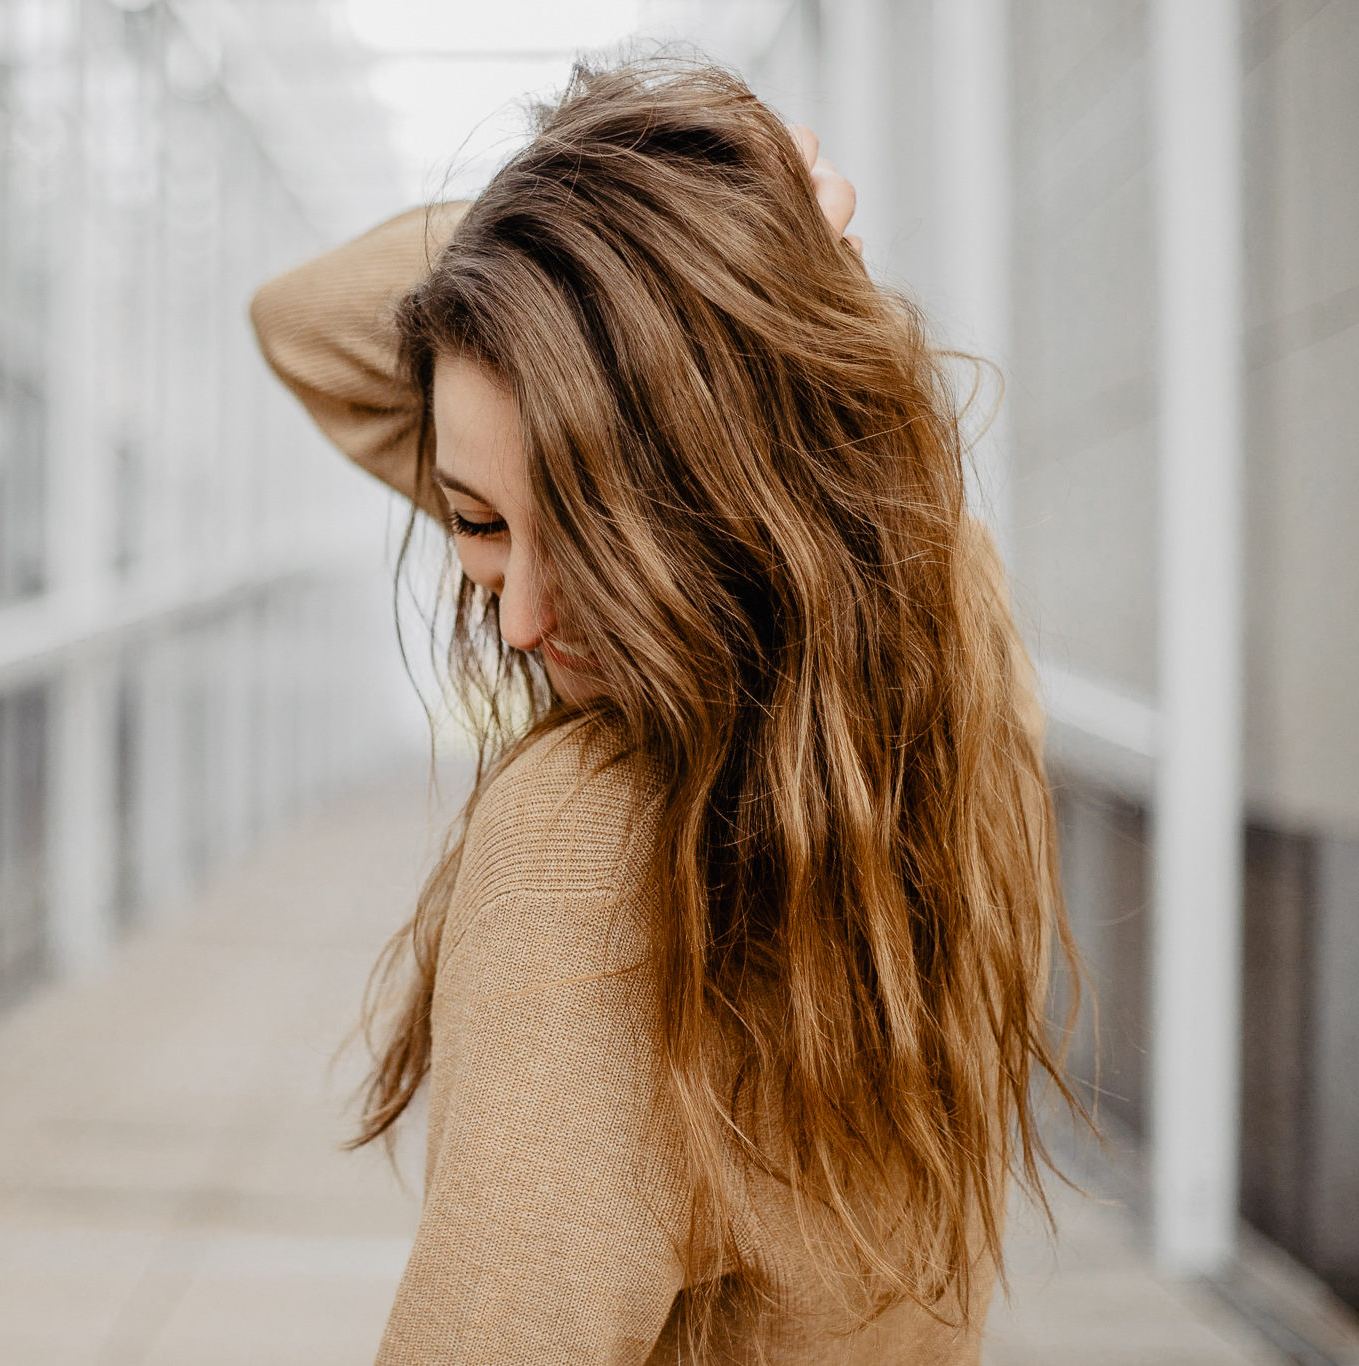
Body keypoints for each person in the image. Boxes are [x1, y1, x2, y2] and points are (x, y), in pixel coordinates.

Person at [250, 59, 1076, 1365]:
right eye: (477, 521)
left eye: (583, 529)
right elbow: (310, 327)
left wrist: (661, 238)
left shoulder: (601, 834)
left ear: (726, 487)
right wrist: (685, 240)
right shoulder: (948, 644)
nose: (520, 616)